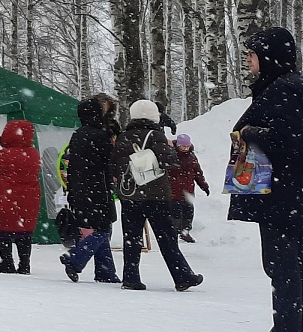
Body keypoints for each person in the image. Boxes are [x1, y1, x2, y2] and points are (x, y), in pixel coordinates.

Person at [231, 28, 303, 332]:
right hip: (289, 198)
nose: (248, 59)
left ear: (271, 56)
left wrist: (249, 132)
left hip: (285, 200)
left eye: (253, 53)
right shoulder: (285, 87)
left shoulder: (284, 89)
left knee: (284, 270)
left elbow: (291, 142)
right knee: (288, 270)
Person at [112, 99, 202, 291]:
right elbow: (169, 161)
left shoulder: (123, 137)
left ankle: (131, 278)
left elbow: (114, 165)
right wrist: (169, 148)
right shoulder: (156, 135)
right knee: (166, 238)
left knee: (132, 238)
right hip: (156, 195)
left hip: (130, 194)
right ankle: (182, 276)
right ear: (154, 116)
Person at [60, 94, 122, 283]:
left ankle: (106, 272)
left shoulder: (78, 134)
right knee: (103, 229)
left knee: (99, 229)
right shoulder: (101, 136)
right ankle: (76, 258)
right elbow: (110, 162)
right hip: (97, 188)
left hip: (79, 188)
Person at [0, 120, 41, 274]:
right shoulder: (33, 154)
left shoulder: (4, 155)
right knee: (24, 234)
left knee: (2, 230)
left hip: (5, 198)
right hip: (29, 199)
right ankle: (24, 264)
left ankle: (7, 262)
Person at [169, 133, 210, 242]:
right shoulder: (171, 155)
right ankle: (174, 233)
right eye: (183, 146)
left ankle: (185, 231)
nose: (185, 148)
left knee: (188, 212)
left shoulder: (191, 157)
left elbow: (198, 173)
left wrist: (203, 185)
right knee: (175, 213)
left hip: (188, 190)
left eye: (187, 146)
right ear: (178, 145)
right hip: (173, 191)